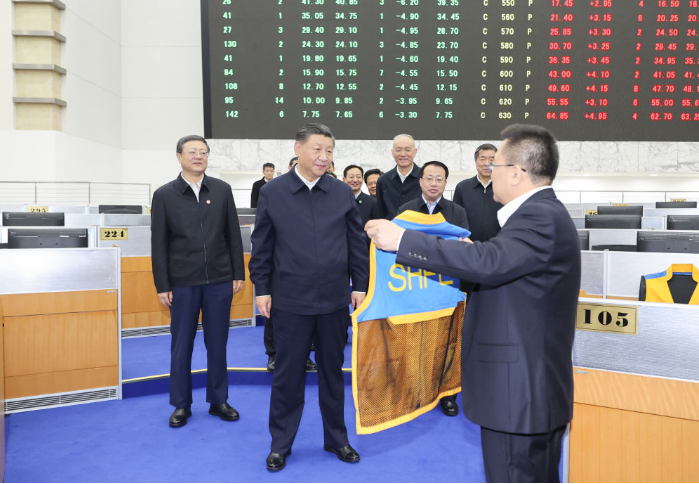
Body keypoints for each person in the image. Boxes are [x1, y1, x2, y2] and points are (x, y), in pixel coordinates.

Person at [366, 124, 581, 483]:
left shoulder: (539, 216)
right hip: (528, 392)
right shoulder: (541, 214)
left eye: (495, 165)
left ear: (516, 172)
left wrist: (403, 239)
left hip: (518, 395)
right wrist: (470, 253)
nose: (489, 173)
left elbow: (490, 263)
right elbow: (502, 263)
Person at [249, 123, 369, 472]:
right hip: (290, 300)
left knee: (333, 373)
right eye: (317, 149)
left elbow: (356, 243)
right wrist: (262, 288)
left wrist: (359, 285)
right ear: (298, 149)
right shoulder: (273, 192)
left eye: (329, 150)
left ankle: (337, 439)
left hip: (333, 300)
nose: (324, 156)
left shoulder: (341, 192)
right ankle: (280, 444)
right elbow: (262, 245)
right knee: (288, 376)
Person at [151, 135, 246, 428]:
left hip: (219, 279)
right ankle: (181, 404)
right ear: (179, 156)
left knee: (218, 343)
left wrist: (238, 272)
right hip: (182, 282)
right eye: (192, 152)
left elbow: (233, 233)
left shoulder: (221, 189)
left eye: (203, 152)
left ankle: (219, 400)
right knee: (182, 345)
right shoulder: (164, 194)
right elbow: (159, 244)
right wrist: (163, 284)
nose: (198, 156)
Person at [396, 160, 468, 418]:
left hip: (447, 287)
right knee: (416, 342)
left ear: (446, 183)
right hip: (415, 286)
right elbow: (399, 245)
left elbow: (462, 247)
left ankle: (448, 396)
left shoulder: (457, 212)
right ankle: (418, 392)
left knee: (449, 343)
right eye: (429, 178)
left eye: (439, 179)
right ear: (420, 181)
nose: (434, 183)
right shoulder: (406, 210)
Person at [263, 155, 317, 373]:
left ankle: (305, 356)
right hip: (282, 270)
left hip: (310, 272)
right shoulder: (275, 193)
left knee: (309, 319)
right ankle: (274, 354)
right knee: (275, 318)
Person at [452, 144, 502, 242]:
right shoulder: (462, 187)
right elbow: (456, 219)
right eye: (482, 159)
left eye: (492, 159)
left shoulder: (505, 187)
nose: (487, 163)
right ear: (475, 161)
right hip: (468, 245)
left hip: (499, 246)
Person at [375, 134, 421, 219]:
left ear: (415, 152)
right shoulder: (383, 180)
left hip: (418, 226)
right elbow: (381, 211)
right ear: (392, 152)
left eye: (407, 150)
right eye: (398, 150)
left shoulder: (425, 178)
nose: (403, 154)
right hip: (391, 226)